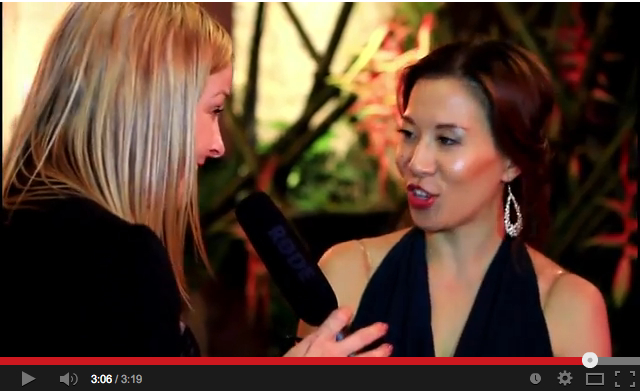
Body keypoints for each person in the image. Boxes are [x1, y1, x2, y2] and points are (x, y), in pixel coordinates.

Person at [1, 3, 390, 358]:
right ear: (153, 105)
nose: (218, 145)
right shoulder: (120, 258)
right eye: (213, 109)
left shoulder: (21, 221)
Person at [298, 40, 612, 357]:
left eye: (447, 140)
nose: (416, 162)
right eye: (408, 134)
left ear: (511, 161)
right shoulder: (347, 273)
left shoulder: (570, 308)